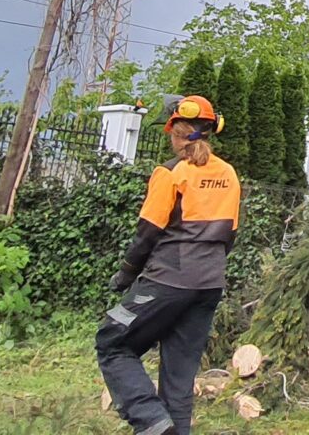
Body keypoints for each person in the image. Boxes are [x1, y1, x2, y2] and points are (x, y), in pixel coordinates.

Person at [97, 94, 242, 435]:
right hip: (210, 283)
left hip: (167, 280)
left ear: (177, 133)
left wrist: (126, 273)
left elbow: (147, 232)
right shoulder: (228, 173)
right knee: (178, 378)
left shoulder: (171, 172)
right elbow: (230, 235)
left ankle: (151, 420)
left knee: (113, 341)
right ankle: (168, 426)